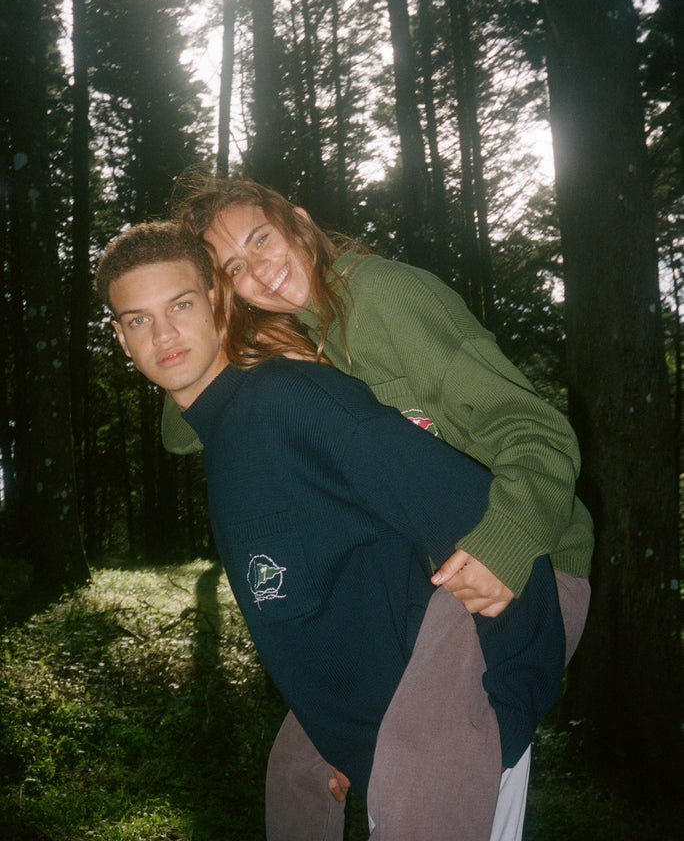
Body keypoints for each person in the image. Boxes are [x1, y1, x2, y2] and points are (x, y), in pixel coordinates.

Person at [95, 221, 568, 841]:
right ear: (121, 338)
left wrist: (496, 722)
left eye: (180, 305)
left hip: (445, 759)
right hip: (375, 757)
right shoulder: (224, 437)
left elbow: (482, 518)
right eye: (137, 320)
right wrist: (345, 742)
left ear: (218, 302)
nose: (163, 334)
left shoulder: (293, 402)